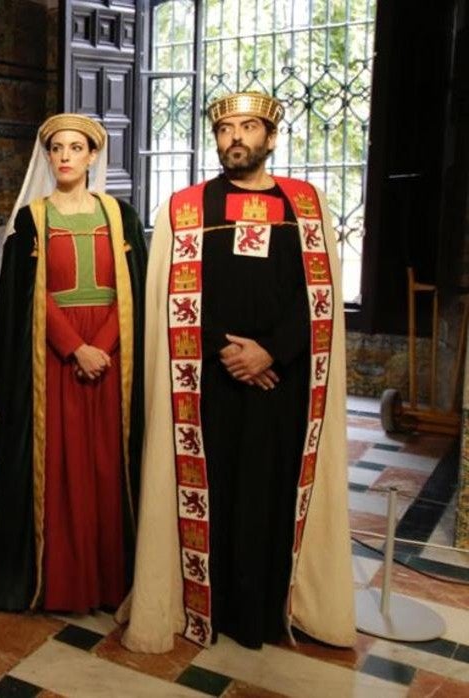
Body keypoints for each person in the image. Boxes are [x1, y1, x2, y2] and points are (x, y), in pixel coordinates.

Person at [120, 92, 353, 652]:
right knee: (216, 494)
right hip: (205, 383)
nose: (235, 138)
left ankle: (267, 612)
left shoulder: (306, 203)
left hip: (284, 382)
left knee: (269, 493)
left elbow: (318, 297)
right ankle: (211, 607)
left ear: (271, 137)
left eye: (249, 127)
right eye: (225, 129)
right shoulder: (185, 207)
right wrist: (233, 355)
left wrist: (271, 352)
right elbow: (173, 295)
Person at [0, 114, 148, 614]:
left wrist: (101, 343)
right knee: (59, 467)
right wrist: (75, 347)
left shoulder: (120, 215)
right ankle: (61, 582)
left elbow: (135, 291)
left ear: (93, 155)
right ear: (47, 156)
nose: (66, 157)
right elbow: (25, 298)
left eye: (76, 148)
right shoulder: (32, 219)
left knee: (106, 466)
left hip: (113, 358)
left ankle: (110, 580)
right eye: (57, 148)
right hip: (52, 362)